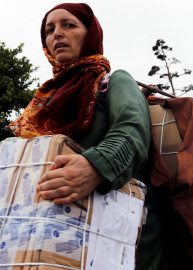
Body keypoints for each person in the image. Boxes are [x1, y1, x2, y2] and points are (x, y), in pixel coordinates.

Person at [8, 3, 166, 269]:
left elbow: (132, 132)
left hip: (120, 241)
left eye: (68, 25)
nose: (56, 34)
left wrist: (96, 166)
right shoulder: (41, 104)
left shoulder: (114, 82)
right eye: (49, 30)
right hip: (52, 237)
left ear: (91, 34)